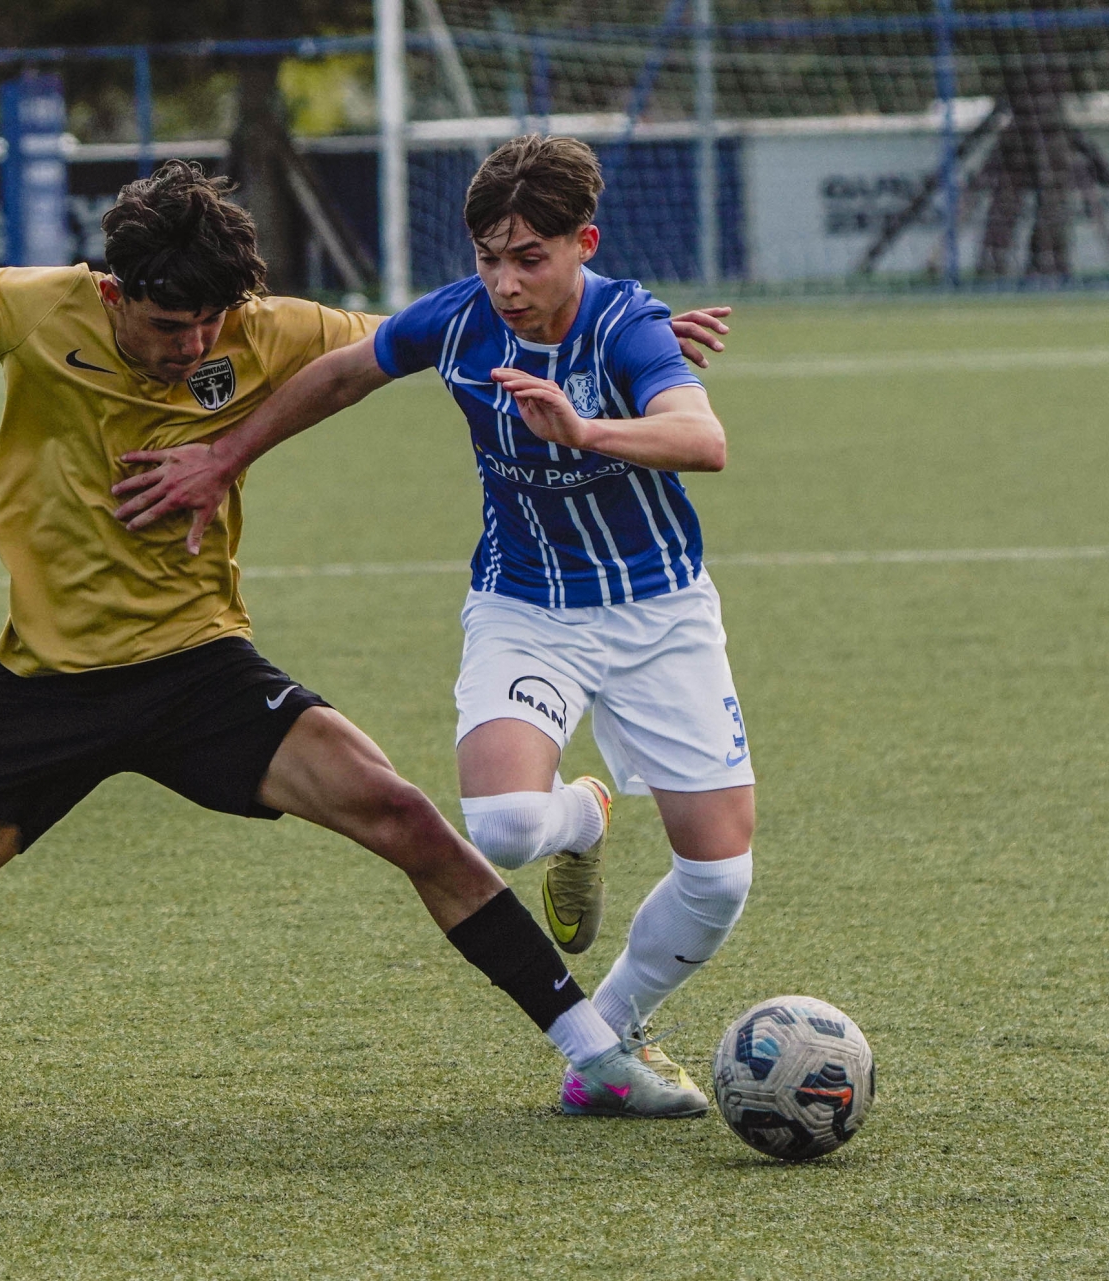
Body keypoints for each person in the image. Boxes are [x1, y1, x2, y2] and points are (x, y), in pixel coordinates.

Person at [0, 141, 728, 1131]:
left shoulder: (258, 330)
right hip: (47, 689)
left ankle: (598, 1056)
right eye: (166, 324)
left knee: (411, 822)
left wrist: (613, 343)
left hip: (201, 670)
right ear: (111, 291)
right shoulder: (34, 309)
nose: (193, 346)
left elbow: (448, 329)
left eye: (208, 324)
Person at [112, 134, 748, 1120]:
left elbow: (703, 438)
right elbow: (340, 374)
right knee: (504, 827)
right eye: (489, 258)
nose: (505, 282)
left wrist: (585, 429)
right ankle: (584, 815)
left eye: (529, 258)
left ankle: (614, 1027)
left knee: (717, 878)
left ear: (584, 244)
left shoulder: (630, 327)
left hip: (659, 611)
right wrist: (226, 457)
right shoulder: (459, 321)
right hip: (525, 606)